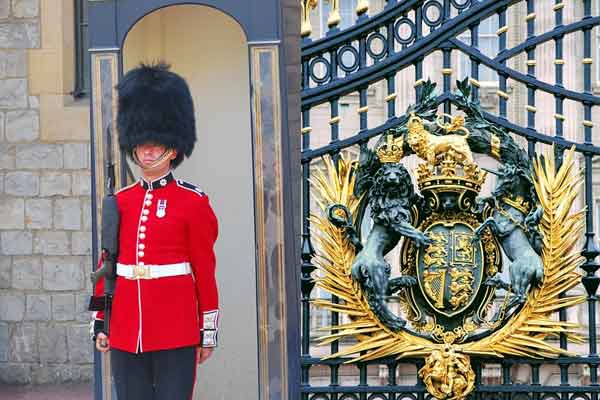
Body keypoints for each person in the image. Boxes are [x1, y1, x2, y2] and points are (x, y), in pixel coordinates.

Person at [89, 62, 219, 399]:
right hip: (126, 327)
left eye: (156, 141)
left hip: (176, 327)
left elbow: (204, 271)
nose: (147, 149)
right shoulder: (119, 201)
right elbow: (107, 264)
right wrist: (100, 319)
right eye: (141, 141)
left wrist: (208, 331)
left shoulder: (193, 202)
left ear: (173, 147)